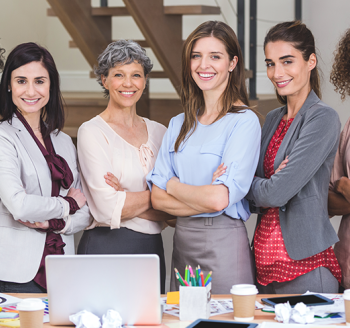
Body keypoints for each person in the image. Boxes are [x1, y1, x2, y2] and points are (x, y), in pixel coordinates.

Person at [147, 21, 261, 294]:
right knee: (181, 320)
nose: (203, 65)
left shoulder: (244, 122)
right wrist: (204, 196)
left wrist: (173, 185)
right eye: (196, 56)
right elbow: (157, 199)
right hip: (183, 242)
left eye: (215, 56)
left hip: (223, 243)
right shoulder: (178, 124)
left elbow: (219, 199)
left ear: (232, 63)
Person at [246, 21, 342, 294]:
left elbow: (273, 194)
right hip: (263, 265)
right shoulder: (273, 119)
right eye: (271, 63)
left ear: (310, 61)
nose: (277, 73)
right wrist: (264, 185)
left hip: (306, 265)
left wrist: (257, 184)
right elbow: (251, 192)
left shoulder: (322, 118)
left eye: (287, 61)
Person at [77, 40, 173, 293]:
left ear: (145, 80)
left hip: (152, 250)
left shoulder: (161, 133)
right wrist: (159, 197)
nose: (128, 83)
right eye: (118, 75)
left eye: (136, 75)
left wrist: (126, 197)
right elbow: (107, 210)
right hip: (106, 248)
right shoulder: (92, 132)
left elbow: (176, 213)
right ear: (104, 80)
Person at [0, 42, 91, 293]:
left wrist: (57, 223)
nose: (31, 91)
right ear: (9, 85)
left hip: (63, 268)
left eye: (39, 81)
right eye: (21, 81)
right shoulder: (3, 137)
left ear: (51, 84)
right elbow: (19, 204)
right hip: (17, 273)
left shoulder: (63, 141)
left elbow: (86, 210)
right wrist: (66, 205)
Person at [328, 28, 350, 290]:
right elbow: (329, 202)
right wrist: (341, 188)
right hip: (346, 268)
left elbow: (339, 188)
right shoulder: (348, 127)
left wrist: (346, 186)